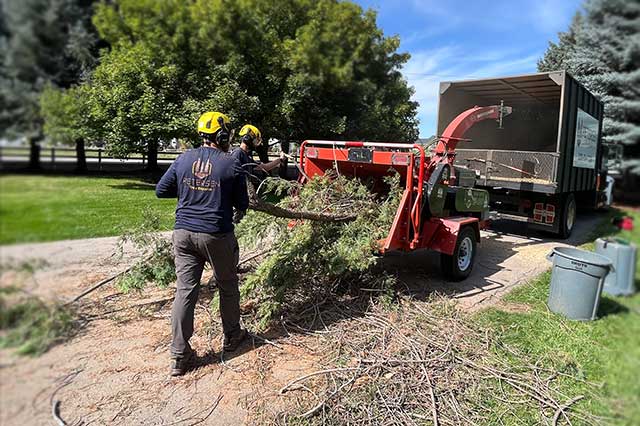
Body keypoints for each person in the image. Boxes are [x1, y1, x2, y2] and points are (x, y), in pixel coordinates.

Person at [155, 111, 249, 376]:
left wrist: (191, 188)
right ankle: (232, 337)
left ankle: (178, 356)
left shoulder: (183, 158)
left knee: (185, 291)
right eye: (227, 133)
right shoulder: (231, 164)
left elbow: (161, 189)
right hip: (215, 234)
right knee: (227, 286)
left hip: (183, 234)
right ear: (221, 135)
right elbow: (242, 204)